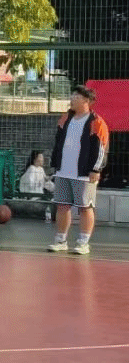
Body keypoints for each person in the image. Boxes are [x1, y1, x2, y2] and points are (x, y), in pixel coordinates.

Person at [48, 85, 109, 255]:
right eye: (72, 95)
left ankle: (83, 243)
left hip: (84, 173)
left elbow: (102, 148)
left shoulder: (96, 122)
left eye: (76, 96)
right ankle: (61, 241)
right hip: (63, 171)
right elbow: (58, 142)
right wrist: (55, 163)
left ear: (86, 101)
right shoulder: (65, 118)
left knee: (85, 207)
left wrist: (96, 169)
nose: (72, 98)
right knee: (62, 206)